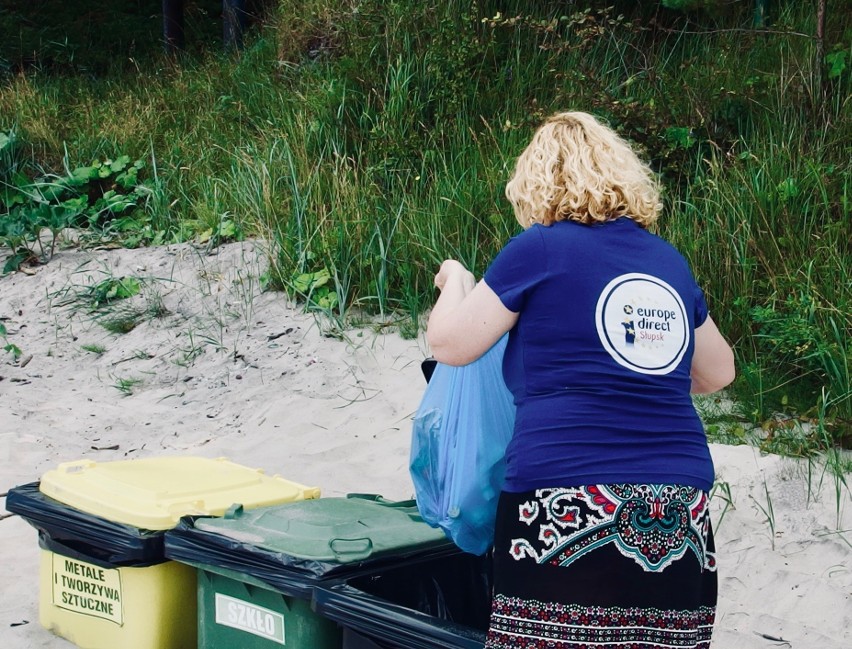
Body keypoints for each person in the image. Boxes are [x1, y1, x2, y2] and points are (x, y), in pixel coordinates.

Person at [426, 111, 735, 649]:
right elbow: (717, 371)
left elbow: (450, 344)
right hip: (679, 513)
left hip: (565, 503)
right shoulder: (667, 262)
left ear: (535, 182)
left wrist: (457, 279)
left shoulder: (538, 249)